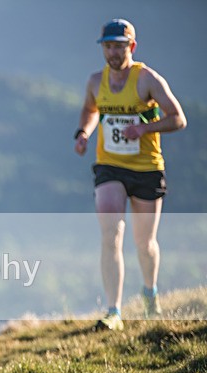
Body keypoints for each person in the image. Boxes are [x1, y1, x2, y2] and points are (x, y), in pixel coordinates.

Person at [74, 18, 186, 331]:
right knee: (111, 232)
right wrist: (83, 133)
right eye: (107, 46)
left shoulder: (147, 79)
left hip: (147, 167)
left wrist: (145, 128)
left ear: (131, 47)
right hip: (109, 164)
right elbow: (90, 109)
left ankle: (150, 294)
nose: (112, 52)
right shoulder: (96, 81)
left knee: (144, 242)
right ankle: (113, 312)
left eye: (119, 46)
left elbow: (178, 119)